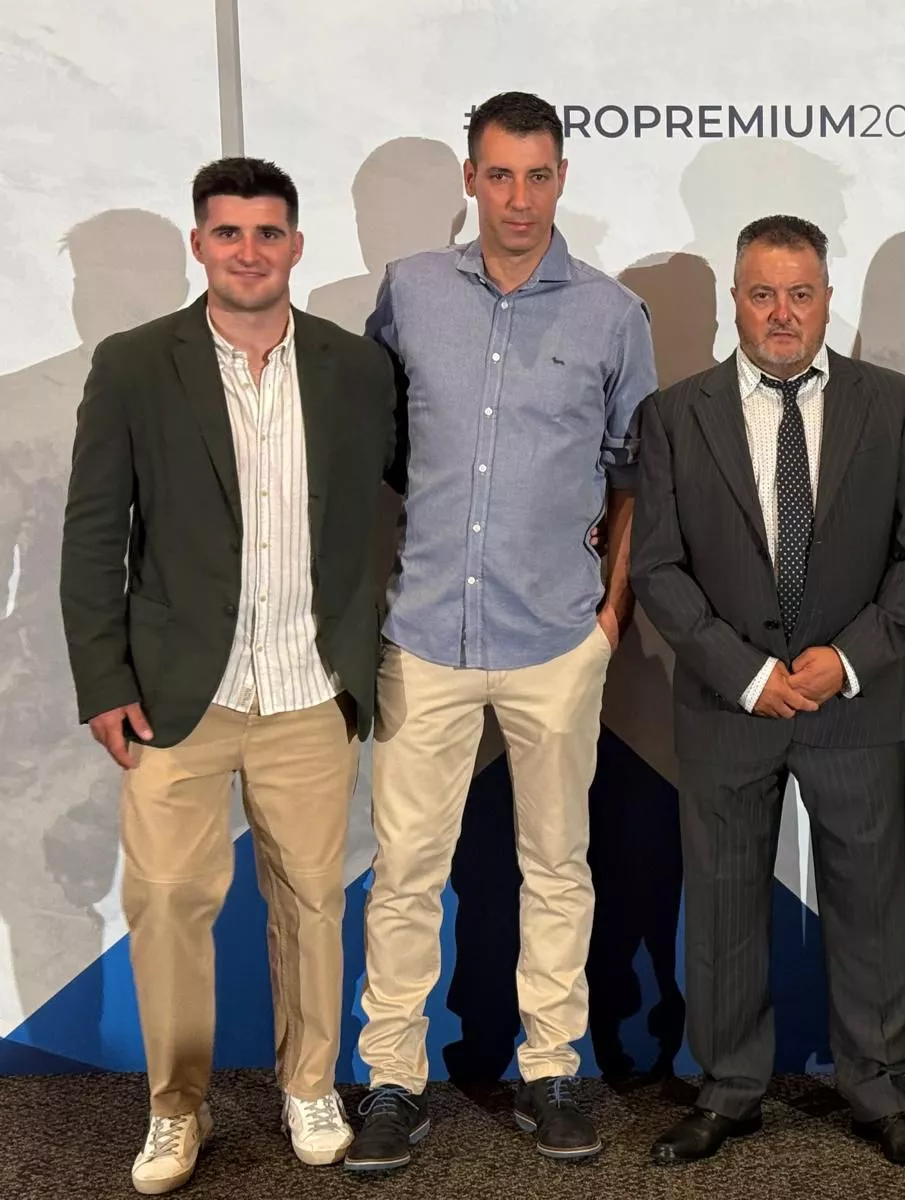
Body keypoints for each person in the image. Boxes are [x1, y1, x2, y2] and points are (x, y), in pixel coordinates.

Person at [58, 158, 397, 1193]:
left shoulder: (357, 368)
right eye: (229, 233)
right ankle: (176, 1108)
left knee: (313, 902)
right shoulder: (132, 365)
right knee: (166, 901)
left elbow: (406, 503)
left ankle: (309, 1087)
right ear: (199, 244)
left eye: (267, 232)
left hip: (310, 686)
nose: (249, 252)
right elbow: (92, 534)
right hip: (176, 694)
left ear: (295, 245)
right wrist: (103, 679)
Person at [344, 91, 655, 1171]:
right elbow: (380, 437)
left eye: (538, 175)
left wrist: (611, 612)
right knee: (404, 873)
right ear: (470, 180)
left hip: (558, 637)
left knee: (557, 866)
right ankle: (392, 1078)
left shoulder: (612, 314)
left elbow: (634, 475)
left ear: (562, 179)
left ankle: (552, 1069)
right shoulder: (410, 293)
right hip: (426, 630)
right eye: (500, 175)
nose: (519, 199)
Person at [630, 215, 905, 1171]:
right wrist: (747, 672)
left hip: (856, 700)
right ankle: (728, 1090)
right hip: (730, 705)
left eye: (799, 294)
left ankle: (880, 1088)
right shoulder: (674, 415)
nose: (781, 313)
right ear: (734, 301)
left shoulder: (889, 405)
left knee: (871, 906)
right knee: (724, 905)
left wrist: (847, 660)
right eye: (762, 294)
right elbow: (657, 568)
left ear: (827, 299)